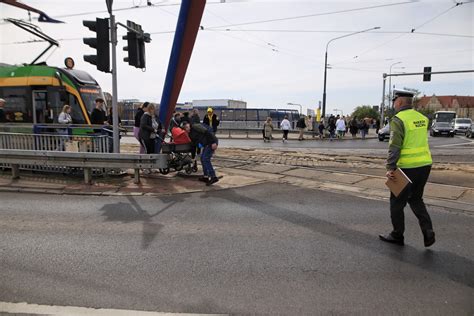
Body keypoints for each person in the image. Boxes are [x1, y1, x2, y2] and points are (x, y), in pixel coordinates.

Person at [379, 90, 435, 247]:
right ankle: (428, 231)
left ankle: (397, 235)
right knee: (416, 199)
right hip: (424, 165)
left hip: (404, 167)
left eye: (394, 101)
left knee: (396, 203)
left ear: (400, 102)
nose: (394, 104)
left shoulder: (398, 119)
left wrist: (390, 167)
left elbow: (394, 146)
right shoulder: (422, 118)